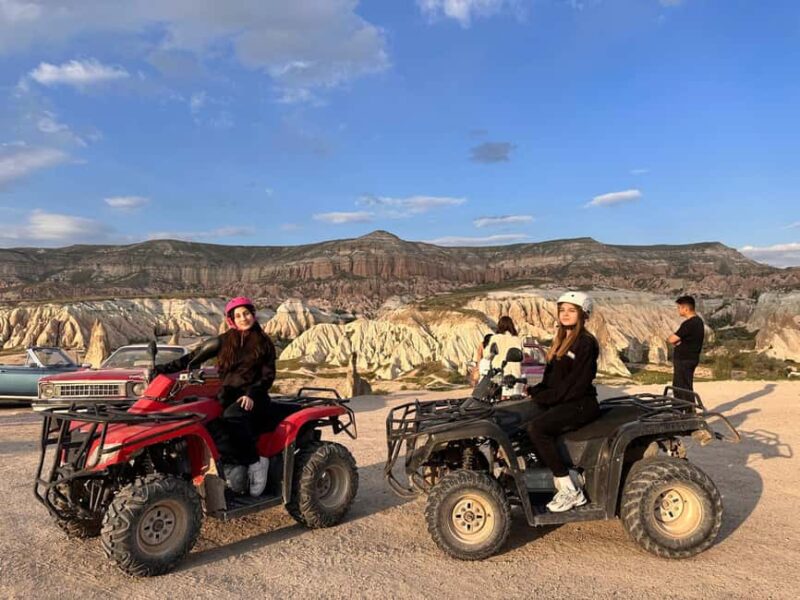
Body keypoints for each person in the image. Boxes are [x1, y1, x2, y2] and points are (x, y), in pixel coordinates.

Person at [156, 296, 276, 497]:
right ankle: (230, 469)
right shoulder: (224, 341)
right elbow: (193, 357)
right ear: (231, 320)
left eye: (246, 313)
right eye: (238, 316)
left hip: (255, 396)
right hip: (228, 395)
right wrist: (162, 369)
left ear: (253, 314)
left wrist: (252, 394)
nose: (243, 318)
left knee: (233, 416)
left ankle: (256, 462)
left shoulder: (264, 343)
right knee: (206, 422)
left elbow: (268, 375)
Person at [526, 291, 600, 513]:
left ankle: (570, 489)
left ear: (583, 314)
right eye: (562, 310)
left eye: (571, 310)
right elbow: (551, 380)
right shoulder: (561, 342)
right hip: (565, 400)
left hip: (580, 403)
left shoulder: (585, 343)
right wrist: (533, 390)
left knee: (537, 428)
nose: (565, 314)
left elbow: (575, 384)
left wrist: (546, 397)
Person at [668, 295, 704, 400]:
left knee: (680, 388)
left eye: (679, 307)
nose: (678, 310)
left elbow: (672, 339)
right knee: (686, 386)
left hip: (684, 359)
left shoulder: (689, 324)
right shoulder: (699, 322)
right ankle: (687, 407)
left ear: (686, 308)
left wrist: (676, 341)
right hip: (692, 358)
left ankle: (683, 408)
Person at [483, 316, 524, 397]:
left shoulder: (495, 338)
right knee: (515, 398)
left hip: (499, 373)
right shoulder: (517, 339)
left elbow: (487, 356)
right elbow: (521, 357)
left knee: (498, 398)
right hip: (514, 375)